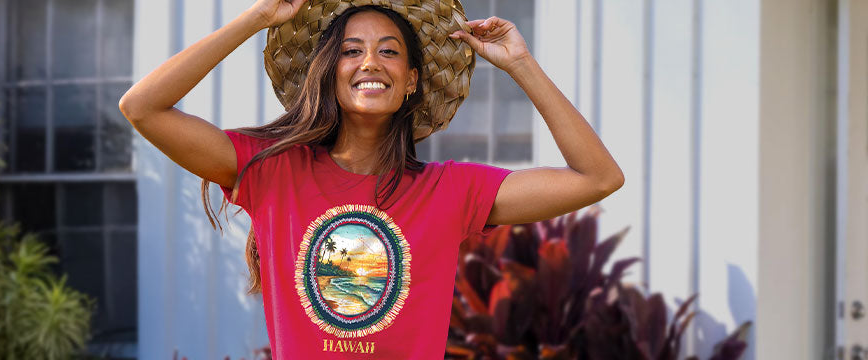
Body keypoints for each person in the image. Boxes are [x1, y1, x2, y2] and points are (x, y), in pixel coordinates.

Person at [115, 0, 623, 358]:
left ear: (411, 81)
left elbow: (597, 178)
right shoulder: (274, 171)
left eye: (390, 51)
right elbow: (142, 107)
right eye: (351, 50)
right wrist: (256, 18)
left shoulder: (450, 191)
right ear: (329, 71)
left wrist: (521, 65)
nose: (370, 63)